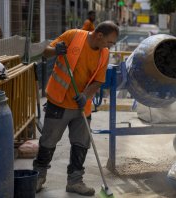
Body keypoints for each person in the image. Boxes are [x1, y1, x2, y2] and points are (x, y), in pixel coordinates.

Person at [33, 21, 119, 196]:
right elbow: (45, 52)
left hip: (82, 106)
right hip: (59, 101)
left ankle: (75, 181)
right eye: (110, 42)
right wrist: (56, 50)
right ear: (100, 35)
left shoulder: (104, 54)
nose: (110, 46)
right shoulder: (73, 36)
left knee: (81, 145)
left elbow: (98, 81)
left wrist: (85, 95)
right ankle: (39, 177)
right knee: (48, 142)